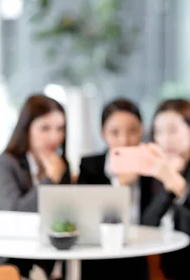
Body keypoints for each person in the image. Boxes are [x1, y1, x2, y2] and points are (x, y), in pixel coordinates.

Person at [115, 99, 190, 280]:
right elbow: (148, 222)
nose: (165, 139)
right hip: (177, 272)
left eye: (173, 130)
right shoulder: (161, 175)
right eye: (159, 132)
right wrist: (168, 182)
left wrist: (171, 177)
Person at [0, 94, 71, 279]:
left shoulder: (60, 166)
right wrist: (50, 179)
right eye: (45, 128)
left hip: (38, 260)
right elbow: (14, 214)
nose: (55, 137)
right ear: (27, 129)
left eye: (60, 129)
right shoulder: (4, 165)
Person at [77, 98, 150, 280]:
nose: (124, 140)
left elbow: (152, 224)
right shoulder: (89, 166)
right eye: (114, 132)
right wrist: (120, 187)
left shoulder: (151, 169)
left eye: (132, 131)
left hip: (138, 257)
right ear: (103, 133)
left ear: (142, 130)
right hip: (98, 260)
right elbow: (87, 220)